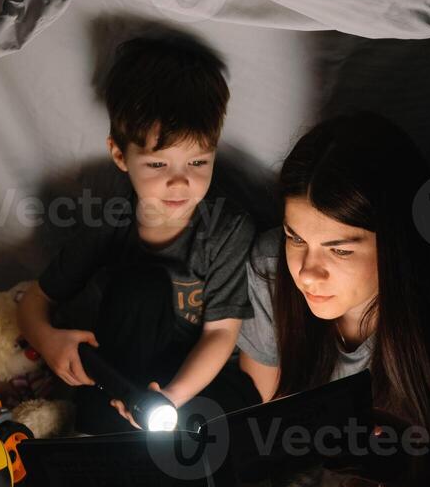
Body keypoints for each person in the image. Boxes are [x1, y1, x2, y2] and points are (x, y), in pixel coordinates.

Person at [236, 112, 430, 487]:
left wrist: (414, 482)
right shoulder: (268, 268)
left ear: (398, 243)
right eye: (296, 238)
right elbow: (273, 430)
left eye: (340, 250)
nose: (308, 271)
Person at [17, 36, 258, 434]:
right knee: (143, 287)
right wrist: (48, 341)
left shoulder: (227, 229)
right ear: (119, 155)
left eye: (199, 161)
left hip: (193, 383)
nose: (180, 182)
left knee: (234, 415)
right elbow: (34, 301)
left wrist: (170, 399)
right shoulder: (111, 220)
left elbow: (220, 334)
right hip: (124, 383)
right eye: (158, 163)